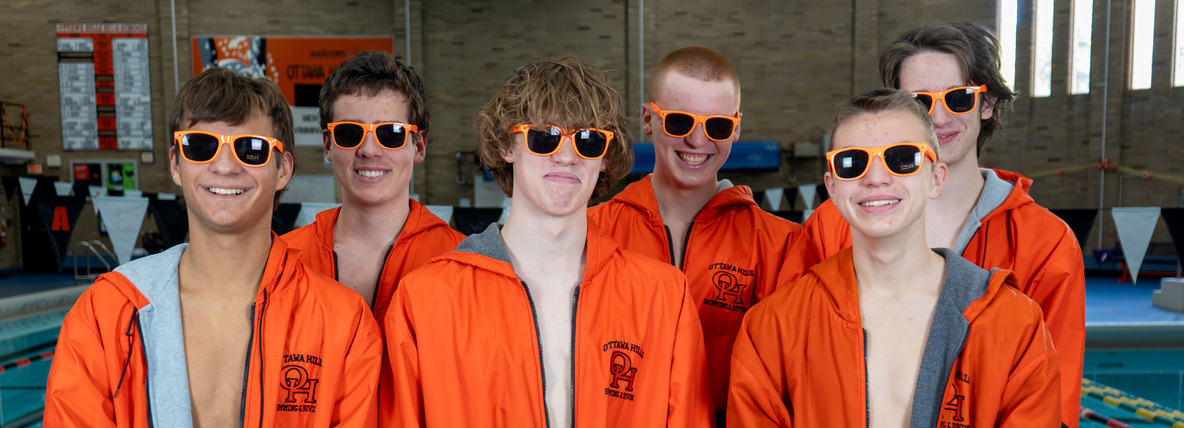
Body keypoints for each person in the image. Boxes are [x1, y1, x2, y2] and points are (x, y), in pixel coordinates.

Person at [380, 56, 714, 427]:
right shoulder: (425, 301)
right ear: (507, 146)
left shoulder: (664, 300)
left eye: (588, 141)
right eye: (544, 137)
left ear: (604, 158)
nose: (567, 157)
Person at [45, 67, 382, 427]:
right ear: (176, 164)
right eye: (201, 146)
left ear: (283, 170)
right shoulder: (106, 312)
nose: (224, 166)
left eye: (251, 149)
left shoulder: (343, 323)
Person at [799, 23, 1084, 426]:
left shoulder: (1045, 242)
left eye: (958, 97)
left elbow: (1052, 401)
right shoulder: (832, 223)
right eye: (919, 101)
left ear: (987, 104)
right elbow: (798, 358)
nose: (938, 116)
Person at [728, 88, 1061, 427]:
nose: (875, 178)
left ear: (936, 178)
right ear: (832, 186)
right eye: (853, 162)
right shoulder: (774, 327)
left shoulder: (1015, 324)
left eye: (902, 158)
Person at [587, 45, 806, 422]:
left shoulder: (781, 247)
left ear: (736, 129)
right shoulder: (594, 232)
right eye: (679, 122)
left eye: (717, 126)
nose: (698, 141)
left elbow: (790, 381)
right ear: (648, 119)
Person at [283, 52, 464, 322]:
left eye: (390, 133)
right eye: (349, 133)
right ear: (328, 145)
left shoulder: (461, 259)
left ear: (419, 146)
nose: (369, 150)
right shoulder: (285, 260)